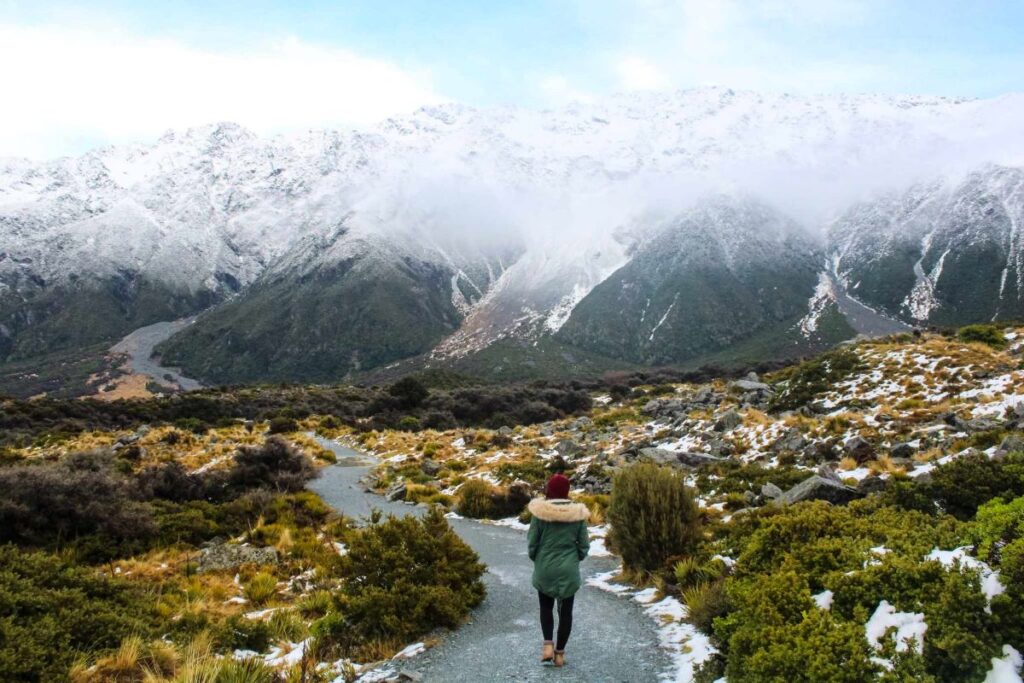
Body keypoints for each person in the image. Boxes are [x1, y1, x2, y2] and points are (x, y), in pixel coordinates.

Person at [527, 472, 590, 667]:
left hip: (545, 567)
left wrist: (537, 559)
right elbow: (584, 545)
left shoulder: (539, 514)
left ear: (550, 490)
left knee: (545, 607)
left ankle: (547, 645)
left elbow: (532, 543)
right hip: (568, 569)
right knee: (566, 612)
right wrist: (574, 559)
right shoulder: (578, 515)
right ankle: (560, 654)